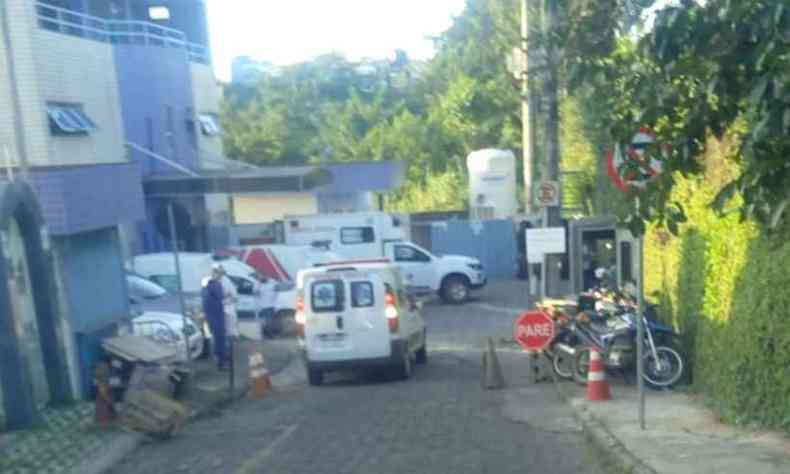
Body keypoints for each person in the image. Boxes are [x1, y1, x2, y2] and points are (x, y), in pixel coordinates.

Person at [202, 265, 227, 370]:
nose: (221, 277)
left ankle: (218, 359)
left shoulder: (205, 286)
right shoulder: (215, 284)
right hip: (216, 316)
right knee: (220, 339)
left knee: (212, 338)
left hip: (209, 315)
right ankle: (221, 363)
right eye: (220, 274)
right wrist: (226, 294)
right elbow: (220, 296)